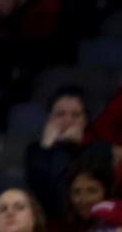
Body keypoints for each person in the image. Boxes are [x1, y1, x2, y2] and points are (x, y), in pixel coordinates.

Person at [25, 86, 112, 220]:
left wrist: (66, 147)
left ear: (85, 120)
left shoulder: (99, 148)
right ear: (49, 118)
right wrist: (46, 148)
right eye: (60, 114)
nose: (67, 121)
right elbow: (38, 195)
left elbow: (69, 197)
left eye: (75, 115)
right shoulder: (35, 151)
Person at [49, 155, 115, 231]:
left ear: (107, 191)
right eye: (76, 192)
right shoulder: (61, 227)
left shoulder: (117, 224)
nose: (84, 201)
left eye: (92, 191)